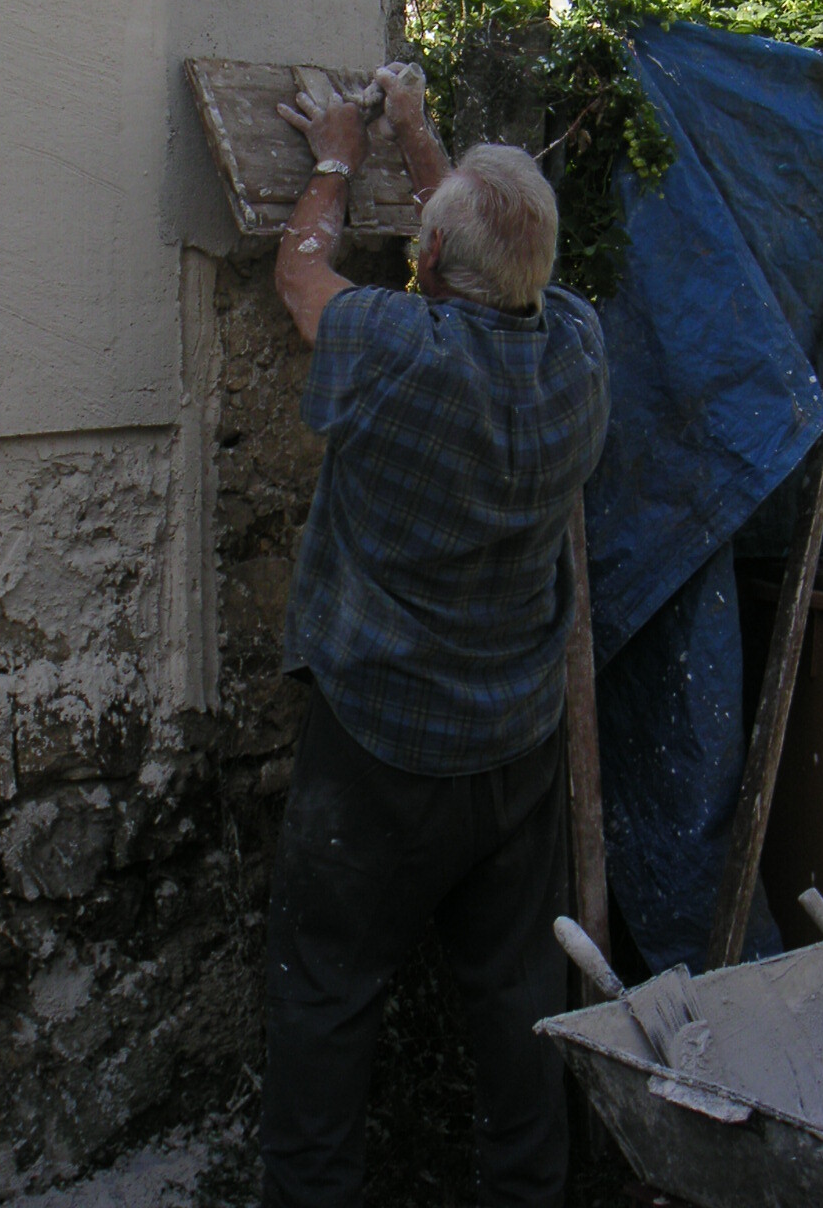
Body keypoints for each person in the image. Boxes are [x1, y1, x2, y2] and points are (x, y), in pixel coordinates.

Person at [261, 62, 610, 1208]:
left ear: (428, 259)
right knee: (517, 992)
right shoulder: (579, 347)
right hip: (516, 745)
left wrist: (338, 155)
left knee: (327, 992)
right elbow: (481, 262)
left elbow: (301, 276)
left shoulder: (394, 349)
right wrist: (421, 139)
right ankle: (531, 1191)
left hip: (381, 748)